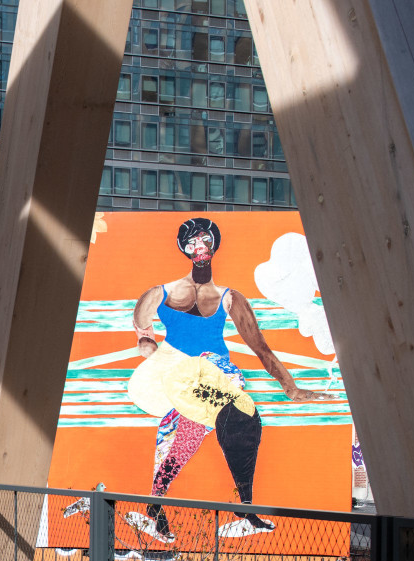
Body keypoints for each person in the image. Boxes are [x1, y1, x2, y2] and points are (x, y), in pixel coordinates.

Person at [125, 218, 331, 541]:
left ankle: (235, 509)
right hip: (181, 376)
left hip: (215, 376)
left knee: (237, 425)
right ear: (185, 249)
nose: (199, 248)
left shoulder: (228, 298)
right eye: (192, 243)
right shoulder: (165, 292)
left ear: (213, 245)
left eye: (205, 240)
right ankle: (162, 506)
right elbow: (141, 314)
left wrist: (290, 387)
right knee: (179, 438)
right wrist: (145, 340)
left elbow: (260, 347)